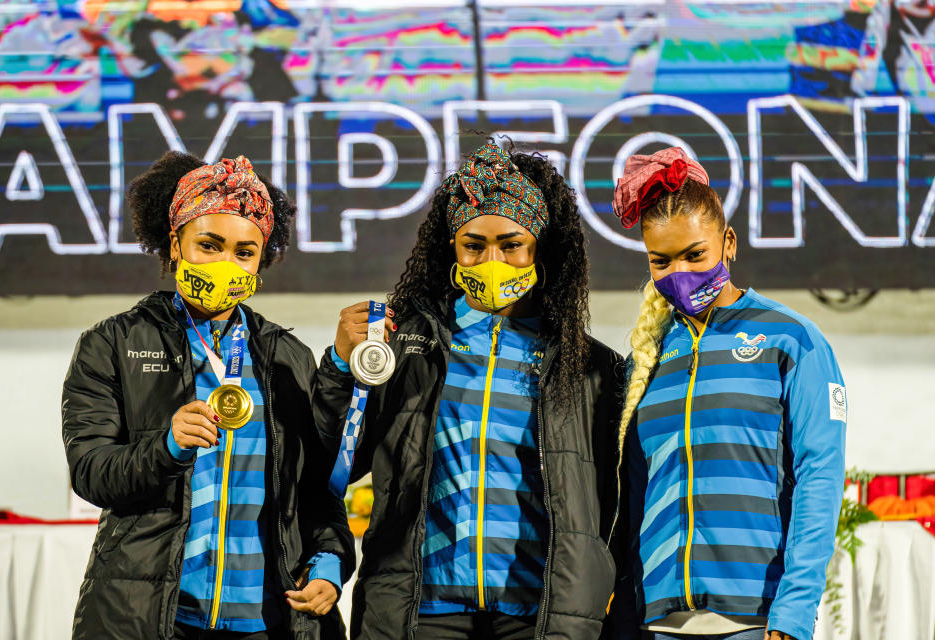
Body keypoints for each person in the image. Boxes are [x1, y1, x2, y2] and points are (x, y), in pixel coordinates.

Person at [314, 142, 626, 639]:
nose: (491, 259)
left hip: (541, 615)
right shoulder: (405, 346)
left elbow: (617, 504)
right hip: (420, 611)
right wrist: (339, 367)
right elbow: (331, 463)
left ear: (540, 248)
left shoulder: (592, 368)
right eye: (473, 244)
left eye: (511, 244)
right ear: (452, 249)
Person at [62, 151, 354, 639]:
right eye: (209, 245)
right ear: (175, 244)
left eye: (243, 252)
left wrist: (328, 562)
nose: (225, 263)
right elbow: (91, 474)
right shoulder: (112, 344)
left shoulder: (288, 358)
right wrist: (167, 446)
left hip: (267, 619)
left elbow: (316, 488)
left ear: (262, 261)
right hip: (151, 617)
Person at [609, 148, 846, 640]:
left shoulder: (792, 340)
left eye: (695, 254)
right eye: (662, 261)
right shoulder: (645, 360)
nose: (681, 273)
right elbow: (633, 499)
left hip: (756, 620)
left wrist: (794, 612)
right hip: (660, 622)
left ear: (729, 242)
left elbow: (819, 478)